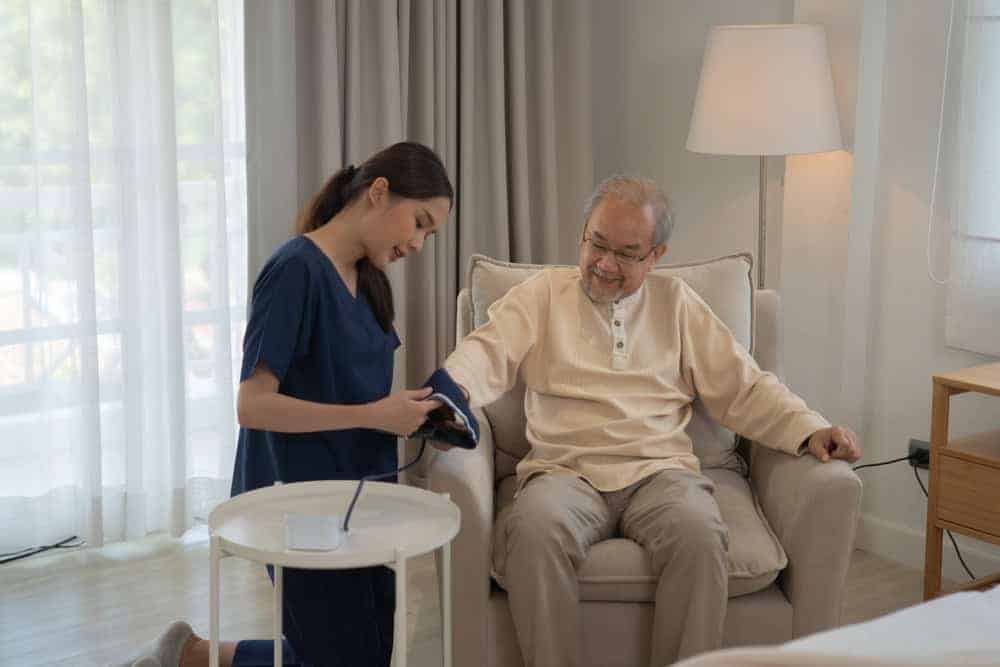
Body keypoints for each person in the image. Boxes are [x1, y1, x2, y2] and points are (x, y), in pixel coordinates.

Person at [439, 175, 862, 667]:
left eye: (626, 253)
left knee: (702, 538)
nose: (604, 264)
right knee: (533, 532)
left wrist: (811, 429)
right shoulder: (541, 296)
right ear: (582, 235)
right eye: (596, 243)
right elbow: (483, 352)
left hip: (660, 473)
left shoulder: (677, 303)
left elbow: (743, 385)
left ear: (655, 256)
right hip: (563, 472)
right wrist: (446, 394)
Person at [122, 141, 454, 667]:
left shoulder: (368, 283)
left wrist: (412, 412)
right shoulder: (294, 271)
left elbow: (352, 390)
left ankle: (188, 655)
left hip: (360, 502)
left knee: (363, 654)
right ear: (379, 192)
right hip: (299, 508)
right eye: (419, 222)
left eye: (428, 234)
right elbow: (252, 405)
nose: (418, 243)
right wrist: (374, 415)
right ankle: (187, 656)